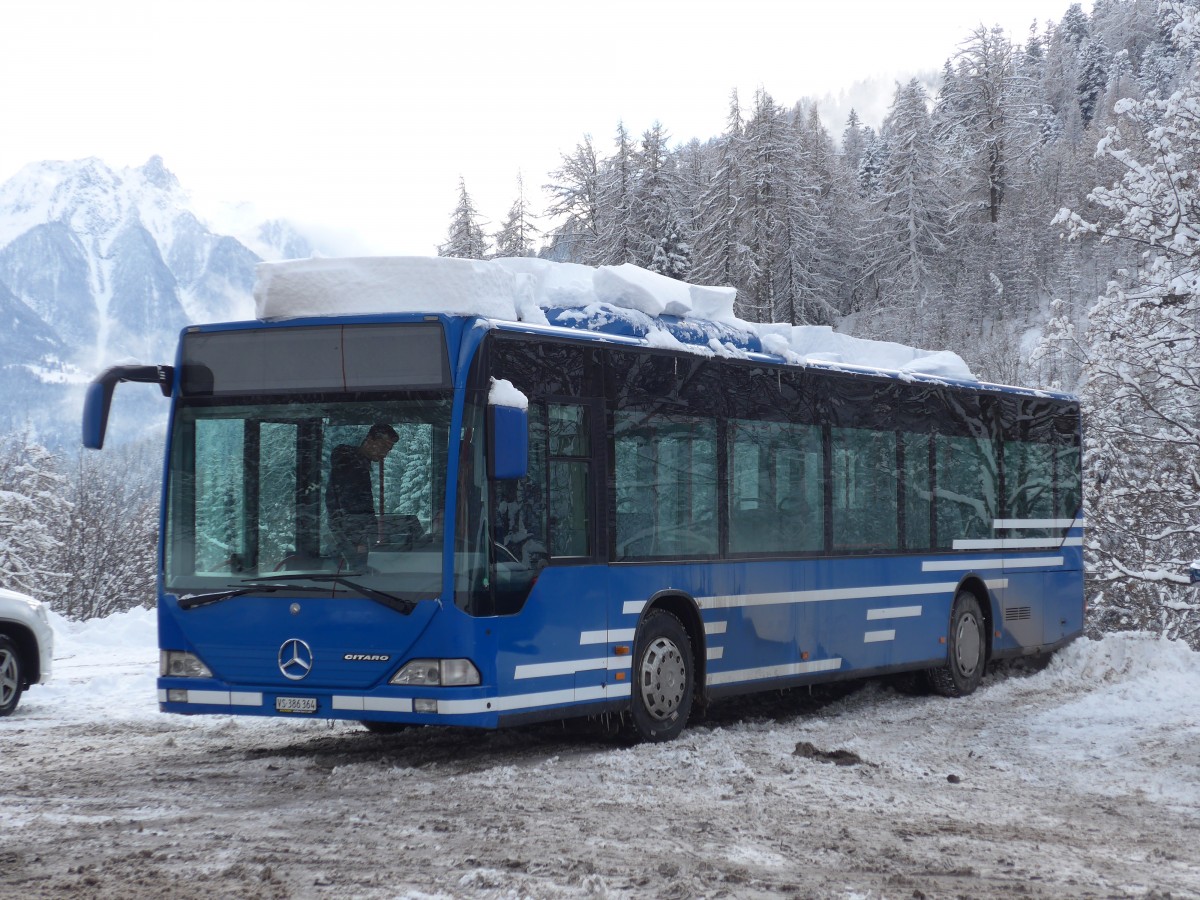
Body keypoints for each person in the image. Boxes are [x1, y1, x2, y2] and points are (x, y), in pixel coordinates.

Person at [325, 423, 399, 568]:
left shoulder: (358, 464)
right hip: (350, 537)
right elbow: (350, 506)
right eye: (383, 447)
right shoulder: (351, 465)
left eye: (388, 450)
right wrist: (358, 541)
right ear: (369, 440)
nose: (385, 453)